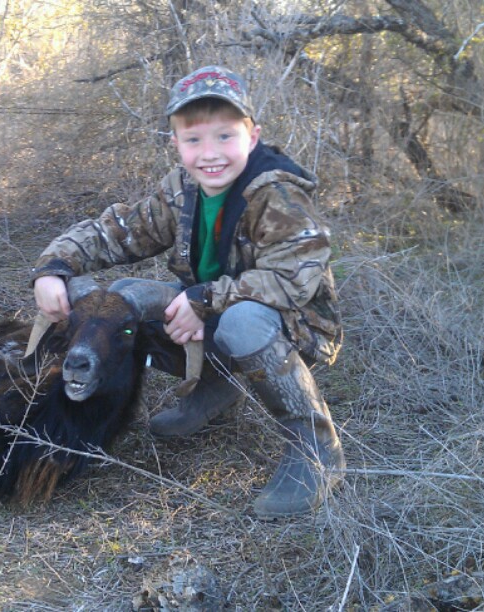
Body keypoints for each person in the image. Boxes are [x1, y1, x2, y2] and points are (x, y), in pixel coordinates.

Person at [31, 65, 345, 517]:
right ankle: (215, 389)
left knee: (240, 321)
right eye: (193, 140)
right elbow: (116, 232)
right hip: (218, 311)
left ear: (252, 138)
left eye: (225, 137)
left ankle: (316, 450)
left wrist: (202, 301)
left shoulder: (278, 195)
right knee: (124, 295)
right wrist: (53, 266)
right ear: (175, 144)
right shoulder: (182, 190)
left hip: (296, 328)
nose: (209, 153)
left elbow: (292, 280)